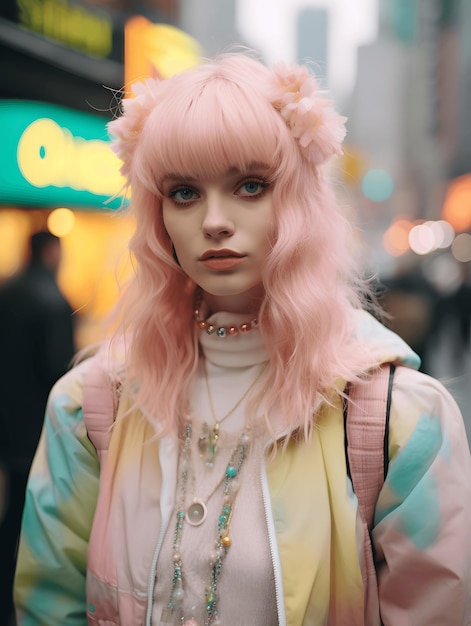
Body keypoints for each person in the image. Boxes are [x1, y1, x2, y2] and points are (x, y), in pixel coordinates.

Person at [14, 53, 471, 626]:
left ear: (300, 202)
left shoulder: (399, 422)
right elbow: (48, 605)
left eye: (250, 185)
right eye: (183, 192)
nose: (214, 220)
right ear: (157, 215)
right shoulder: (89, 407)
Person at [0, 230, 76, 624]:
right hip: (37, 430)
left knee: (12, 510)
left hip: (7, 424)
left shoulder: (7, 290)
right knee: (36, 517)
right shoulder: (54, 302)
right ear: (51, 252)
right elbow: (59, 373)